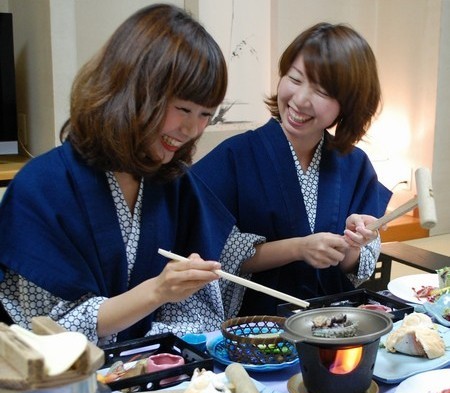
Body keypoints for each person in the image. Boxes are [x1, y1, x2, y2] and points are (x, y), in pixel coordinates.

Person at [0, 4, 263, 345]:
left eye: (205, 114)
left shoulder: (174, 183)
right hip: (70, 386)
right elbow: (46, 331)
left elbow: (197, 308)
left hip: (156, 374)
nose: (190, 128)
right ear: (133, 90)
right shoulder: (41, 188)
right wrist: (157, 290)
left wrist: (153, 352)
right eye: (182, 108)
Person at [192, 22, 393, 316]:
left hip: (334, 326)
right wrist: (299, 248)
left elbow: (355, 269)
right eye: (295, 79)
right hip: (256, 328)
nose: (299, 100)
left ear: (347, 104)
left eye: (322, 91)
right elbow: (213, 253)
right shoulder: (235, 156)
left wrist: (352, 243)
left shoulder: (355, 164)